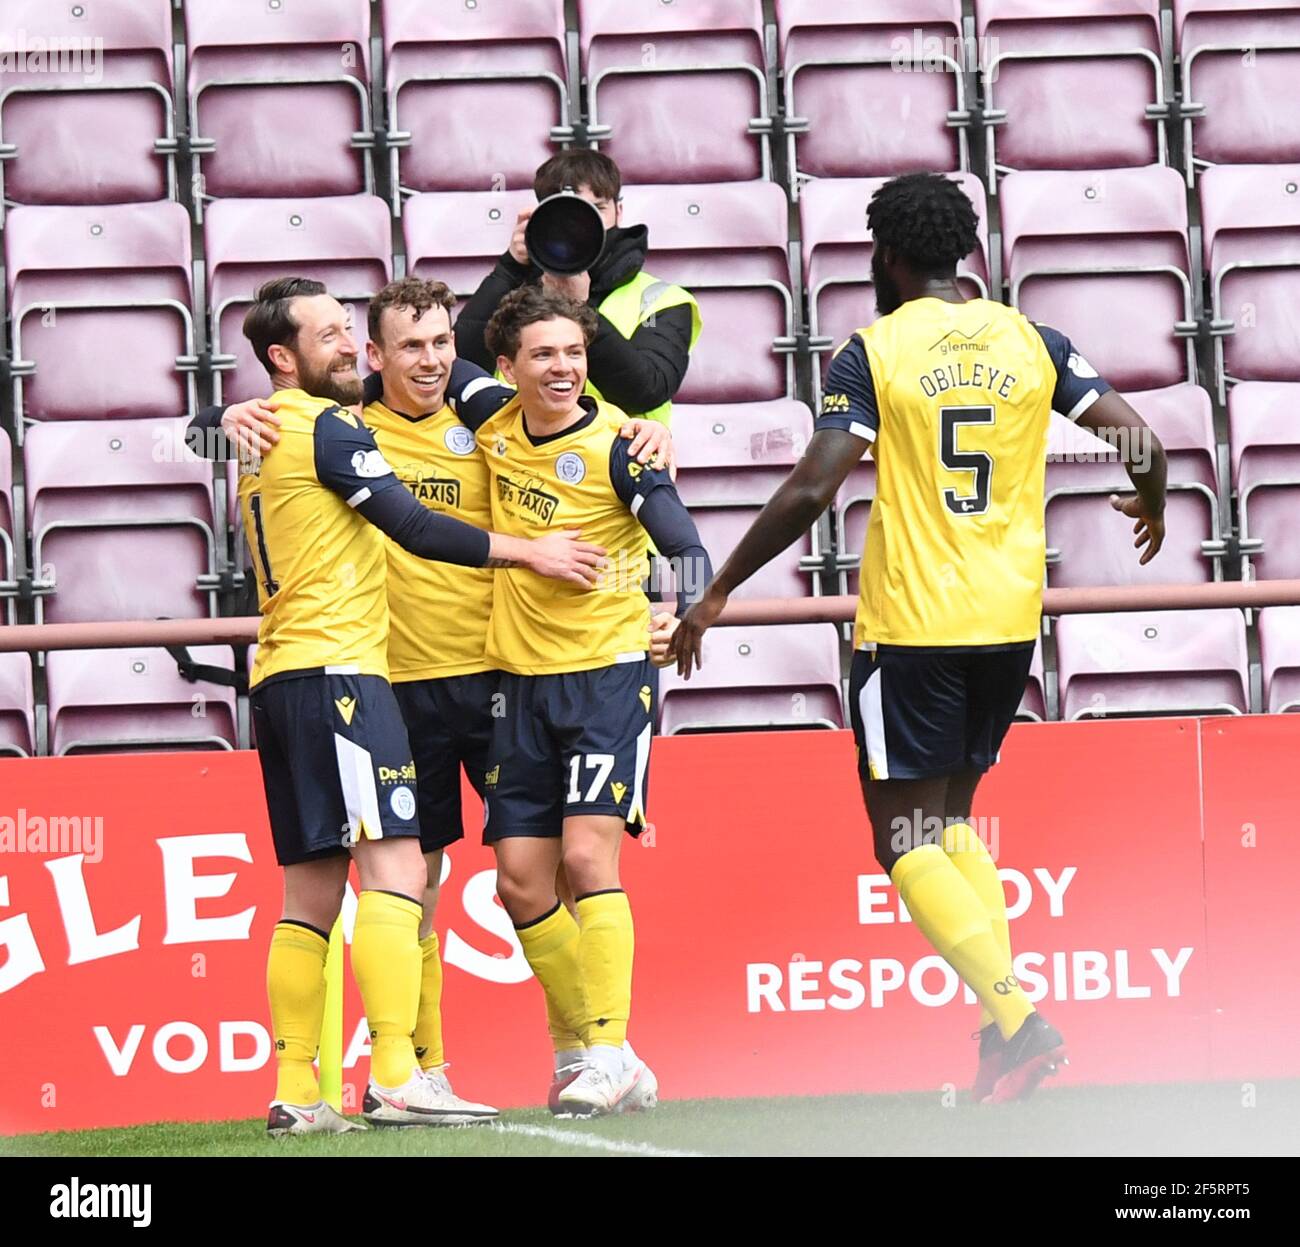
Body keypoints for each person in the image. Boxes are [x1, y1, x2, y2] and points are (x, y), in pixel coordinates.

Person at [669, 172, 1169, 1104]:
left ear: (887, 256)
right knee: (948, 824)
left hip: (914, 627)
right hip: (1009, 620)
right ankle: (999, 1036)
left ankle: (1020, 1017)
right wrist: (1151, 498)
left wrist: (715, 592)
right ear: (963, 251)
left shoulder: (875, 349)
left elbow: (815, 489)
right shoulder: (1035, 340)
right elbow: (1144, 440)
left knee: (899, 835)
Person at [201, 276, 675, 1119]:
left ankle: (590, 1048)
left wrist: (638, 430)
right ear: (375, 356)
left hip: (500, 679)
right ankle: (419, 1066)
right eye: (404, 346)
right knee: (408, 880)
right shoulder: (342, 425)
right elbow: (403, 517)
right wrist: (214, 414)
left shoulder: (487, 421)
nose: (428, 359)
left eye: (439, 344)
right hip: (388, 682)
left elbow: (559, 396)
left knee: (540, 874)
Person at [473, 286, 712, 1115]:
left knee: (585, 861)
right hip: (516, 686)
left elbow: (685, 545)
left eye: (574, 353)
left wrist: (680, 609)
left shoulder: (621, 446)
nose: (564, 368)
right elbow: (411, 374)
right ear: (509, 369)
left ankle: (602, 1049)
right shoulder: (491, 429)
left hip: (607, 677)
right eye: (544, 354)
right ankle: (600, 1051)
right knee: (519, 881)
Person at [455, 149, 701, 424]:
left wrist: (580, 307)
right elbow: (463, 363)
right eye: (568, 212)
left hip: (620, 459)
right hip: (523, 458)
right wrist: (510, 267)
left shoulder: (659, 300)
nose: (581, 225)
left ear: (618, 212)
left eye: (596, 209)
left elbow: (646, 391)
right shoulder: (515, 291)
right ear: (542, 216)